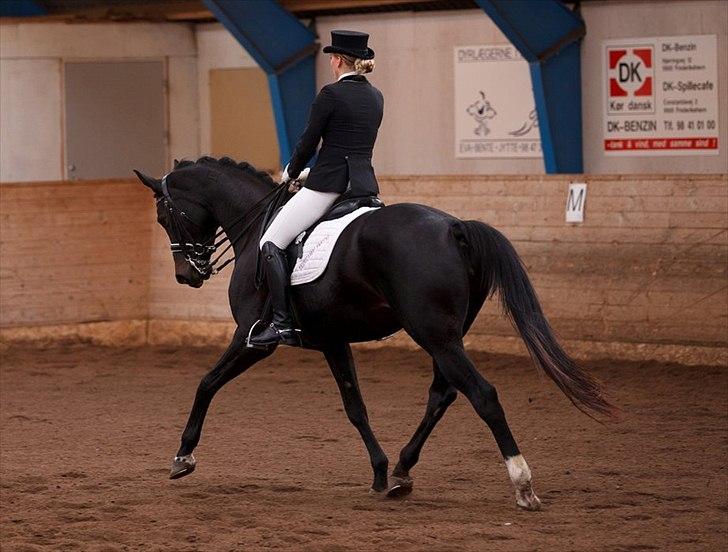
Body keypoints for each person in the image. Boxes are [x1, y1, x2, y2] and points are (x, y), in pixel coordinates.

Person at [249, 30, 384, 348]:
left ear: (336, 60)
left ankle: (282, 323)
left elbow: (309, 141)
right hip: (363, 186)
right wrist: (313, 172)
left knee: (271, 242)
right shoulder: (376, 97)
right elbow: (351, 146)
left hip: (329, 188)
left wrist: (292, 172)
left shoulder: (330, 95)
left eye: (332, 59)